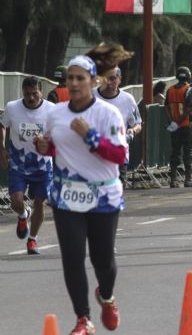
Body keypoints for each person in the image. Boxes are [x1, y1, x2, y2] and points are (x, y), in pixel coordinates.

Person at [36, 50, 131, 335]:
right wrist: (45, 147)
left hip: (103, 196)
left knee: (103, 261)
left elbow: (120, 156)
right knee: (73, 257)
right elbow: (56, 146)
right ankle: (83, 319)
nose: (75, 83)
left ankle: (107, 296)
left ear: (93, 81)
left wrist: (90, 135)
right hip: (67, 196)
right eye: (70, 78)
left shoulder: (107, 113)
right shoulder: (56, 113)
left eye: (81, 78)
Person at [0, 76, 55, 255]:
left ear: (41, 92)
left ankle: (32, 240)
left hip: (42, 164)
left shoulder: (51, 110)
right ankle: (23, 214)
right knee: (16, 200)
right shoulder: (12, 107)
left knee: (40, 201)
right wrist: (1, 148)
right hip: (18, 162)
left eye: (34, 94)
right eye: (27, 94)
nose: (31, 98)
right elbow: (2, 125)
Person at [93, 66, 142, 189]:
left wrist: (132, 131)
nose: (109, 82)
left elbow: (138, 124)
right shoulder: (90, 96)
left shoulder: (128, 99)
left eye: (113, 78)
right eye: (106, 79)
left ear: (120, 79)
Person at [165, 66, 192, 188]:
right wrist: (178, 121)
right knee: (188, 152)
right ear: (188, 76)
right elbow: (188, 109)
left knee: (175, 152)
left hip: (175, 126)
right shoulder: (190, 90)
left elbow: (166, 106)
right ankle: (187, 180)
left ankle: (173, 180)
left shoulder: (170, 90)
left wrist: (172, 122)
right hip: (187, 125)